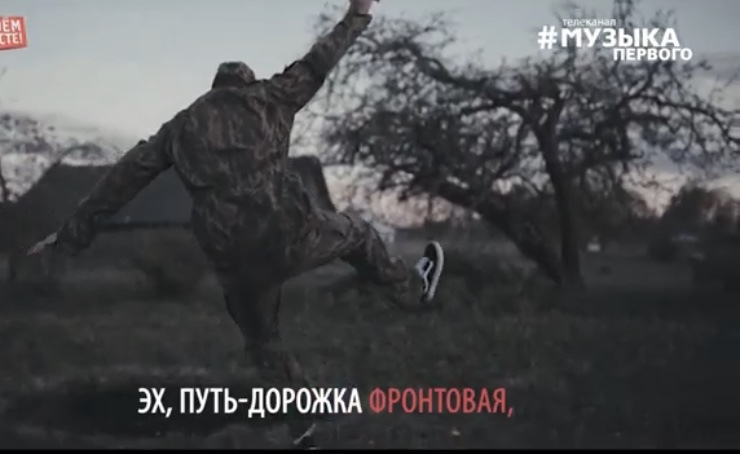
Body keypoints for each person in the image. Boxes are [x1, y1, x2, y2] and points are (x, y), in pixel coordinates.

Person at [27, 0, 445, 448]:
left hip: (235, 264)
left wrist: (66, 238)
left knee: (264, 340)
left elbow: (122, 179)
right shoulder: (270, 97)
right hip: (288, 237)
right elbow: (321, 59)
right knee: (358, 233)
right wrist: (357, 14)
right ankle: (413, 290)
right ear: (245, 83)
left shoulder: (182, 127)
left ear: (212, 91)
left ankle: (302, 426)